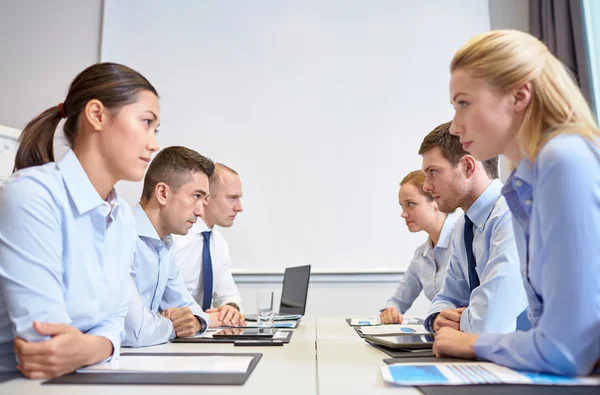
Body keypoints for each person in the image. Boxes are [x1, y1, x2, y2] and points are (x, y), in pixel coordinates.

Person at [431, 29, 600, 376]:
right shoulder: (527, 179)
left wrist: (473, 342)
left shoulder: (562, 160)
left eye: (464, 103)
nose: (455, 125)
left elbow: (564, 350)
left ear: (519, 95)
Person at [0, 63, 159, 377]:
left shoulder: (122, 216)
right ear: (97, 115)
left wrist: (98, 346)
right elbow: (45, 344)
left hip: (83, 375)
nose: (153, 143)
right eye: (146, 123)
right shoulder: (33, 196)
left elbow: (116, 317)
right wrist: (103, 343)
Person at [420, 122, 528, 335]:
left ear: (468, 167)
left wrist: (457, 324)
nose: (426, 186)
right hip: (488, 358)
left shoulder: (512, 214)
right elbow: (447, 297)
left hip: (527, 361)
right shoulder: (464, 225)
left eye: (433, 172)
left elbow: (489, 323)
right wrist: (437, 319)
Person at [125, 146, 220, 347]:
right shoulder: (123, 236)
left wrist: (193, 322)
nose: (201, 211)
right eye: (196, 196)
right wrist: (171, 324)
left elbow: (190, 308)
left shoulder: (165, 245)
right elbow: (137, 331)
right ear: (162, 193)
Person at [380, 170, 458, 324]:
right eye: (402, 206)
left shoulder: (464, 238)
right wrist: (390, 311)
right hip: (443, 333)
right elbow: (398, 301)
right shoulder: (421, 255)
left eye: (410, 204)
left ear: (435, 201)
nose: (403, 214)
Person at [175, 163, 244, 325]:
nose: (239, 208)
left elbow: (228, 295)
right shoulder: (175, 237)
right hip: (173, 333)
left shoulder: (218, 242)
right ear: (207, 198)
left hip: (200, 332)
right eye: (232, 198)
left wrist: (230, 307)